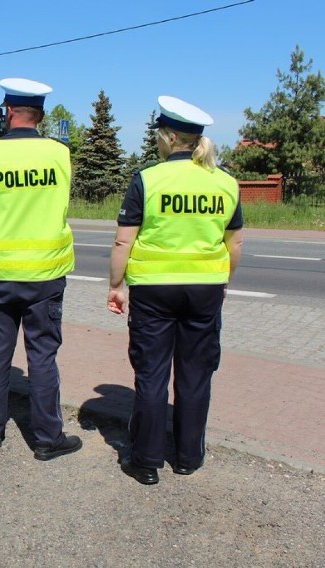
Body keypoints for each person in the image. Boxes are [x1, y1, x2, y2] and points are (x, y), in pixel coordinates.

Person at [107, 96, 244, 485]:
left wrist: (116, 286)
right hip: (205, 291)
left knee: (151, 374)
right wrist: (223, 282)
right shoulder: (225, 182)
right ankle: (187, 456)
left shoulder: (148, 179)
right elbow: (235, 244)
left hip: (154, 292)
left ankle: (146, 461)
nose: (156, 143)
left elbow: (123, 243)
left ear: (169, 138)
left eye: (158, 137)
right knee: (196, 373)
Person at [0, 77, 82, 461]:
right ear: (39, 116)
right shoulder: (60, 154)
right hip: (45, 275)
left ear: (8, 113)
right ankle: (46, 439)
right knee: (42, 357)